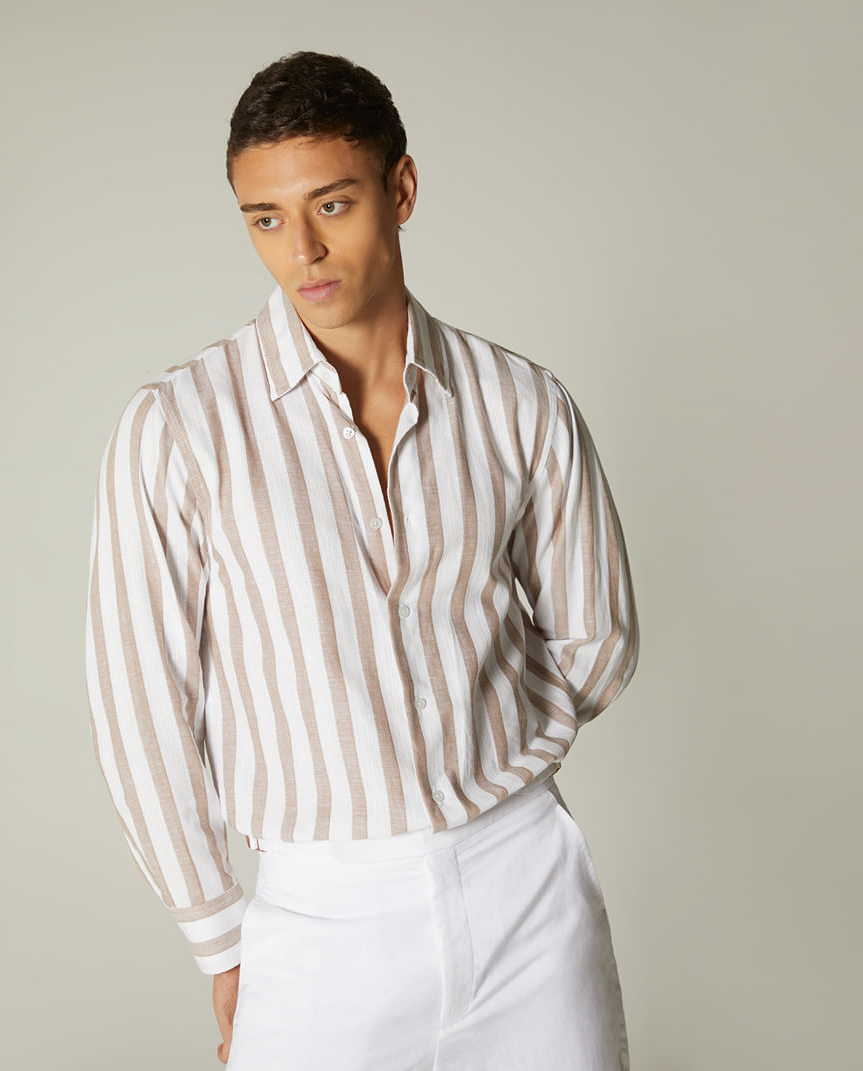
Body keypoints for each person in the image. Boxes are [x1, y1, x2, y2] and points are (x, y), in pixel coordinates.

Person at [85, 50, 640, 1070]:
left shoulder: (521, 403)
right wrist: (218, 936)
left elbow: (597, 637)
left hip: (524, 885)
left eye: (332, 204)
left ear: (402, 189)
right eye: (265, 218)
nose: (301, 249)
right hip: (317, 917)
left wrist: (489, 746)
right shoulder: (180, 428)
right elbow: (140, 709)